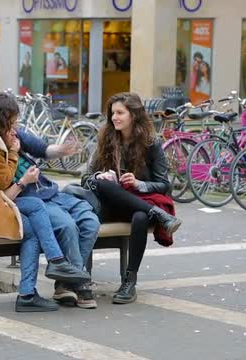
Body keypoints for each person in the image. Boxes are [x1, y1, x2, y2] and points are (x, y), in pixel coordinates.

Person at [0, 93, 88, 312]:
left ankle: (42, 278)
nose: (16, 126)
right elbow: (3, 181)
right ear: (3, 120)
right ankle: (34, 286)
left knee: (33, 216)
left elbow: (37, 149)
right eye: (13, 122)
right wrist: (13, 152)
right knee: (31, 230)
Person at [82, 92, 183, 305]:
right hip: (109, 203)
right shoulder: (105, 138)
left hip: (138, 202)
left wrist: (139, 184)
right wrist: (101, 176)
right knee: (102, 183)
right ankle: (158, 214)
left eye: (120, 113)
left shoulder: (150, 143)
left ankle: (129, 281)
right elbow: (85, 178)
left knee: (140, 217)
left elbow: (164, 184)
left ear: (133, 116)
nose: (114, 118)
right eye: (112, 113)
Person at [14, 129, 101, 309]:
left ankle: (65, 283)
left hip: (53, 193)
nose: (14, 130)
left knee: (91, 222)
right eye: (11, 123)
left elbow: (43, 149)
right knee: (67, 226)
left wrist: (63, 149)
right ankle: (79, 283)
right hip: (35, 201)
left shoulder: (15, 134)